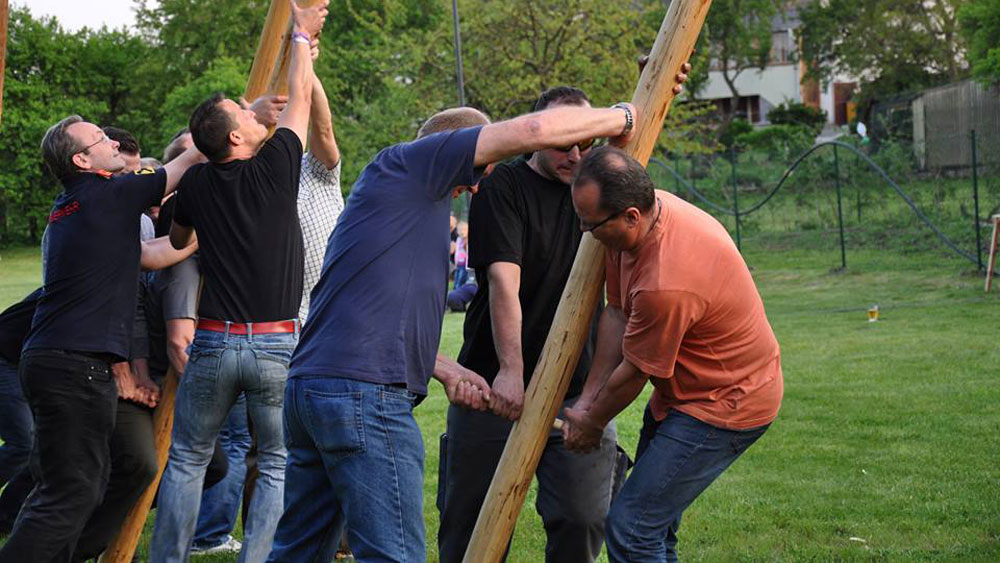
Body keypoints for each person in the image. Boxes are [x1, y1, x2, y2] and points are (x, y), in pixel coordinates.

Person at [269, 81, 647, 560]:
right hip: (364, 396)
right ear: (451, 150)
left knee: (298, 550)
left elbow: (380, 319)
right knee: (395, 553)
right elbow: (533, 129)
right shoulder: (411, 165)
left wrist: (448, 370)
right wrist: (624, 116)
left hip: (314, 387)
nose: (476, 183)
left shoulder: (403, 209)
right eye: (478, 167)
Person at [149, 2, 329, 561]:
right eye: (244, 115)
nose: (255, 116)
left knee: (186, 459)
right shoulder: (277, 166)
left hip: (214, 341)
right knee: (275, 461)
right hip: (276, 342)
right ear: (234, 139)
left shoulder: (197, 186)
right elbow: (300, 99)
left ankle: (168, 558)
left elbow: (178, 243)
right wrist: (301, 37)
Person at [562, 146, 783, 562]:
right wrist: (588, 400)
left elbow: (635, 372)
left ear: (631, 216)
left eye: (591, 225)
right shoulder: (635, 221)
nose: (583, 233)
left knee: (633, 527)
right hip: (683, 396)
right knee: (651, 529)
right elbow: (615, 312)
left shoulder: (666, 282)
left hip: (726, 403)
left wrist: (592, 422)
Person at [0, 107, 202, 561]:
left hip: (54, 360)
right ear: (82, 162)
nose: (113, 142)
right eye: (100, 141)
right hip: (75, 366)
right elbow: (186, 161)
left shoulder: (76, 206)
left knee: (68, 488)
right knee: (72, 493)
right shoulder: (104, 196)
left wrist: (199, 239)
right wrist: (241, 120)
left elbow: (150, 253)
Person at [437, 86, 619, 563]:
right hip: (492, 384)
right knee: (471, 524)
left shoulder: (602, 187)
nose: (576, 155)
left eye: (586, 143)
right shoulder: (503, 187)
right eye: (564, 143)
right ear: (537, 135)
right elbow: (502, 283)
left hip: (576, 389)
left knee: (583, 518)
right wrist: (511, 371)